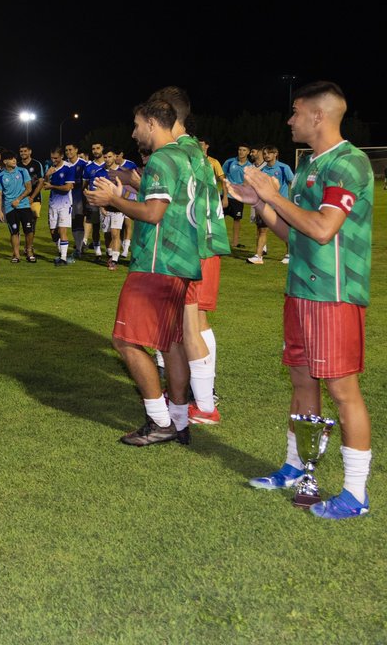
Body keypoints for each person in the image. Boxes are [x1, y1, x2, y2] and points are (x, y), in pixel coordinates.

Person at [234, 82, 374, 519]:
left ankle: (356, 492)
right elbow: (294, 231)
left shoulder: (350, 163)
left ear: (317, 115)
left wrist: (273, 195)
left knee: (342, 389)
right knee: (300, 381)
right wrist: (263, 205)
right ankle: (297, 466)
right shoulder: (309, 164)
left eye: (295, 112)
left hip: (334, 295)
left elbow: (322, 228)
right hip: (299, 290)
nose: (290, 120)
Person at [85, 99, 200, 446]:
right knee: (171, 343)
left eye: (137, 125)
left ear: (152, 122)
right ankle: (179, 421)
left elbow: (153, 213)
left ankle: (159, 420)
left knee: (126, 341)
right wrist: (131, 188)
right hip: (179, 260)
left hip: (156, 262)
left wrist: (113, 200)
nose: (134, 133)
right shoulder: (183, 156)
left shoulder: (163, 158)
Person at [149, 87, 230, 428]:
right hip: (206, 244)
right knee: (195, 323)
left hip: (190, 249)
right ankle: (196, 395)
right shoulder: (194, 151)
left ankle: (203, 402)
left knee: (189, 324)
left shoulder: (178, 152)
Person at [250, 145, 295, 265]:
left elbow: (293, 183)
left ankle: (289, 254)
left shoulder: (283, 167)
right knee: (263, 230)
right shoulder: (262, 171)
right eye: (264, 153)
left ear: (276, 154)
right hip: (266, 206)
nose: (266, 155)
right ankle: (258, 256)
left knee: (286, 231)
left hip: (281, 205)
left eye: (269, 153)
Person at [0, 150, 35, 263]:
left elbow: (29, 189)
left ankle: (29, 251)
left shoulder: (23, 171)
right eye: (11, 159)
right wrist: (0, 211)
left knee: (29, 230)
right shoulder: (0, 177)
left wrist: (18, 199)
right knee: (14, 232)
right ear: (5, 161)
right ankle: (16, 255)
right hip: (9, 208)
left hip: (24, 206)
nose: (14, 160)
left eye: (14, 158)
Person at [44, 147, 76, 265]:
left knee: (62, 230)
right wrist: (47, 175)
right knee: (53, 233)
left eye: (56, 158)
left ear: (62, 156)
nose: (54, 160)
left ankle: (63, 258)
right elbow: (46, 184)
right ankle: (62, 253)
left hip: (65, 204)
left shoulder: (69, 168)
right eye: (52, 158)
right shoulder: (51, 168)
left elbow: (67, 188)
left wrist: (52, 186)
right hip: (53, 204)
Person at [99, 147, 126, 269]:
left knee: (116, 233)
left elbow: (126, 191)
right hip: (105, 208)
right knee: (107, 234)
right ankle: (110, 254)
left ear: (115, 157)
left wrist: (120, 203)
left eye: (109, 156)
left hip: (117, 208)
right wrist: (101, 207)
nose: (107, 159)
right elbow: (99, 191)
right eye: (105, 157)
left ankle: (114, 260)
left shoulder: (122, 172)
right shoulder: (100, 172)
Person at [222, 144, 253, 249]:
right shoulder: (229, 162)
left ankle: (234, 243)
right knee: (219, 219)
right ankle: (218, 240)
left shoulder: (250, 166)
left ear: (248, 152)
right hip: (226, 195)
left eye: (244, 150)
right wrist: (225, 196)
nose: (241, 152)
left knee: (237, 219)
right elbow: (223, 179)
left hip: (239, 198)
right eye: (239, 149)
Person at [81, 142, 108, 259]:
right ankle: (97, 251)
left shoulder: (109, 165)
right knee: (95, 225)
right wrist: (87, 195)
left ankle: (111, 250)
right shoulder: (89, 167)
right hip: (93, 200)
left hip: (107, 201)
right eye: (93, 149)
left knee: (109, 228)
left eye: (98, 148)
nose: (95, 151)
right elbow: (84, 185)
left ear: (103, 149)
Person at [64, 143, 88, 255]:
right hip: (66, 198)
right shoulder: (64, 165)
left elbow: (87, 181)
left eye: (70, 150)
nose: (68, 152)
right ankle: (77, 247)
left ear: (76, 150)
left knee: (78, 221)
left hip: (79, 198)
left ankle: (79, 247)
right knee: (72, 223)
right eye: (66, 150)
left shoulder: (84, 164)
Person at [18, 145, 45, 222]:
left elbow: (41, 182)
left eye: (25, 151)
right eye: (21, 151)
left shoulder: (36, 164)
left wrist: (32, 197)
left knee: (32, 221)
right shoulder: (17, 166)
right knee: (22, 220)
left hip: (35, 197)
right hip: (22, 198)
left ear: (30, 151)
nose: (23, 153)